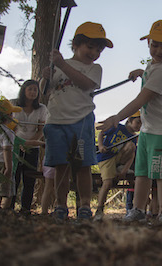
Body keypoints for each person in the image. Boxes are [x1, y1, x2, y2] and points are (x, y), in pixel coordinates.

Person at [97, 20, 162, 224]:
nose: (159, 50)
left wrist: (117, 117)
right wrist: (142, 73)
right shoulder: (153, 66)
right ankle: (138, 209)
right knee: (142, 172)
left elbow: (141, 100)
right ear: (148, 42)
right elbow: (151, 76)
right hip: (148, 130)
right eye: (155, 45)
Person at [41, 21, 113, 221]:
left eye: (99, 49)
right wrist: (44, 77)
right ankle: (61, 205)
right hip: (55, 121)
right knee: (61, 166)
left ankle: (83, 205)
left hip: (81, 122)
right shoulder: (57, 65)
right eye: (90, 47)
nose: (95, 53)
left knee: (82, 166)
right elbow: (45, 92)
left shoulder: (95, 69)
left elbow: (87, 85)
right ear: (76, 44)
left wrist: (62, 64)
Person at [94, 111, 141, 221]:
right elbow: (101, 133)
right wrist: (101, 145)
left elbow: (131, 155)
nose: (139, 126)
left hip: (119, 158)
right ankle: (99, 209)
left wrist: (124, 170)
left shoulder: (133, 137)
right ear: (129, 120)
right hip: (107, 157)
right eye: (138, 122)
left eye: (142, 124)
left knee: (131, 146)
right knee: (108, 182)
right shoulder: (117, 127)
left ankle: (119, 167)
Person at [11, 80, 47, 214]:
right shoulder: (13, 104)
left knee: (29, 178)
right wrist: (19, 143)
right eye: (30, 89)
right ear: (24, 90)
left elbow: (40, 130)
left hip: (33, 146)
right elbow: (9, 127)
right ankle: (9, 206)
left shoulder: (42, 108)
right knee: (14, 176)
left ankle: (25, 208)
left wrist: (28, 144)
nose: (32, 92)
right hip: (15, 145)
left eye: (35, 90)